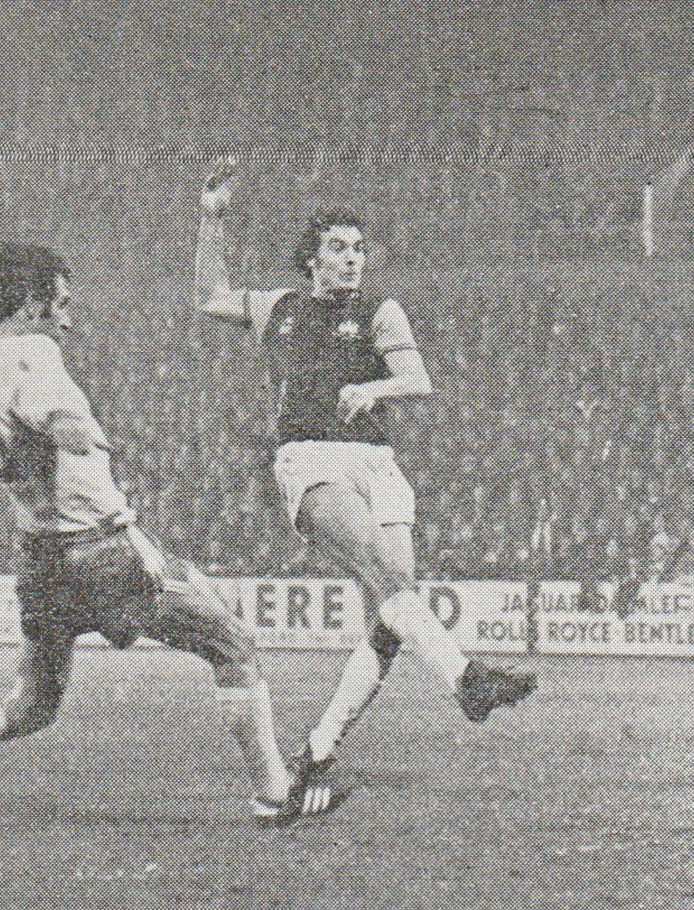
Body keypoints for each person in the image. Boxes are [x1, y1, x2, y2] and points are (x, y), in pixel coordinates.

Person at [0, 245, 318, 826]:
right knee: (231, 643)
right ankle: (276, 795)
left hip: (38, 557)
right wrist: (88, 437)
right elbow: (69, 429)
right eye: (61, 305)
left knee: (31, 703)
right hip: (99, 550)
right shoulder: (36, 357)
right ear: (31, 306)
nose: (68, 320)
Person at [192, 161, 535, 811]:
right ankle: (464, 678)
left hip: (378, 462)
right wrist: (212, 218)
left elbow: (418, 379)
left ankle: (320, 748)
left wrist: (372, 387)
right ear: (312, 260)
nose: (352, 260)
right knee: (383, 572)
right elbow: (210, 295)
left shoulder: (382, 311)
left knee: (391, 612)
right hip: (311, 458)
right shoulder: (278, 309)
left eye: (359, 249)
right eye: (338, 249)